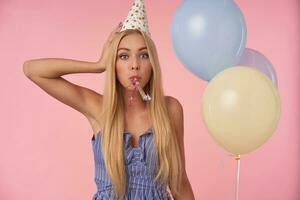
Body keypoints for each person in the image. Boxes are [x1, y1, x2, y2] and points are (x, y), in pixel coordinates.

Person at [23, 1, 195, 199]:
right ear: (113, 63)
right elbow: (32, 70)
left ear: (152, 64)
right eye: (123, 56)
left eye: (143, 55)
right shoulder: (98, 108)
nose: (134, 65)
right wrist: (97, 65)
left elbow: (179, 183)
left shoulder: (170, 109)